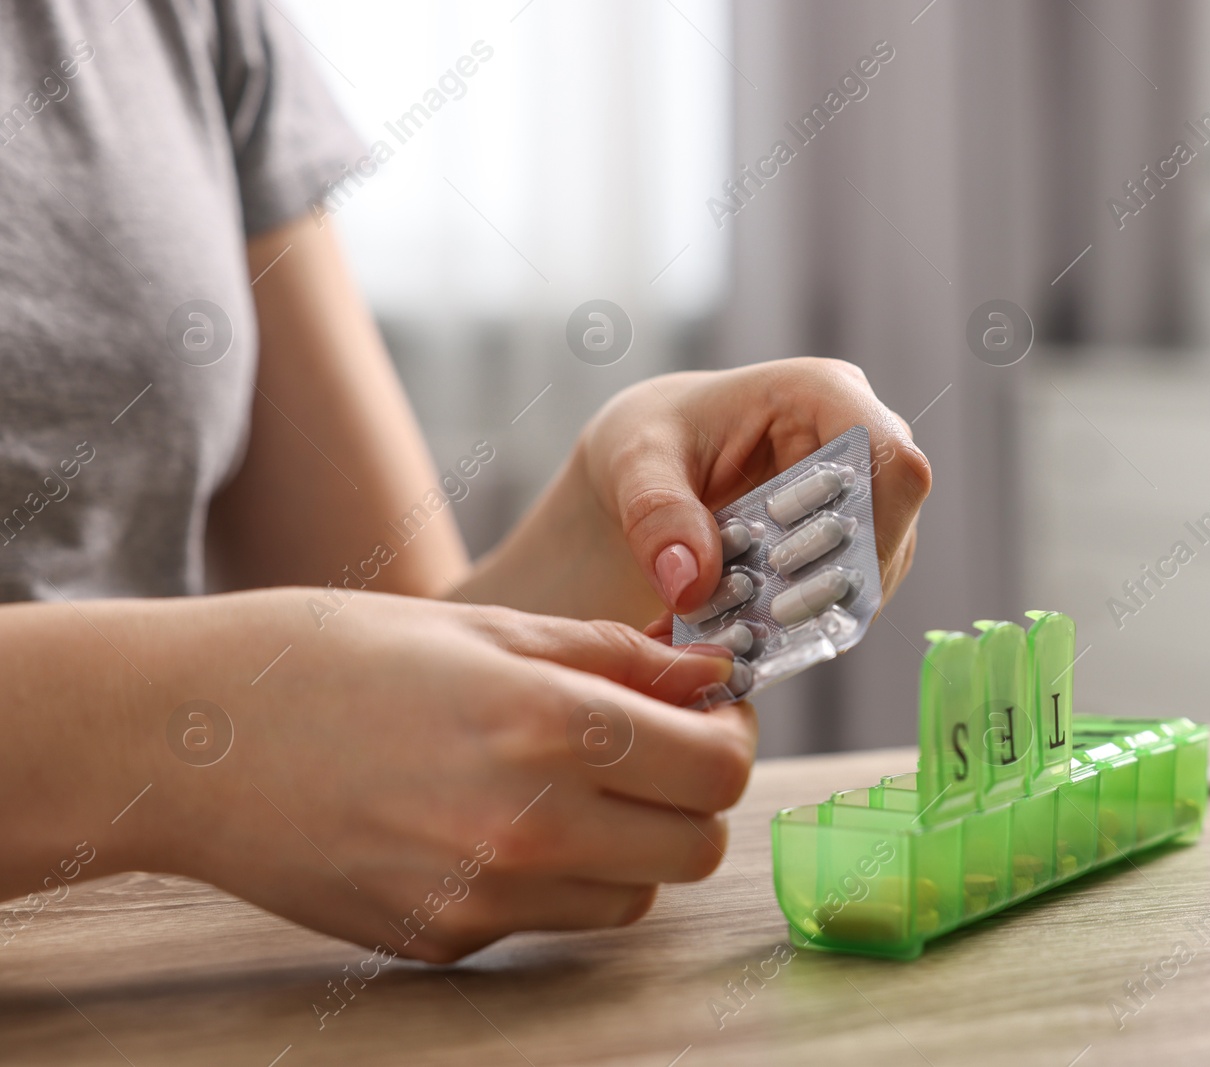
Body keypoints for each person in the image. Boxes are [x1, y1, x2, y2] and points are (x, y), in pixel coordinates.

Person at [0, 1, 930, 962]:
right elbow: (286, 710)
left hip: (149, 988)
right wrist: (195, 732)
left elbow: (378, 656)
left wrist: (607, 525)